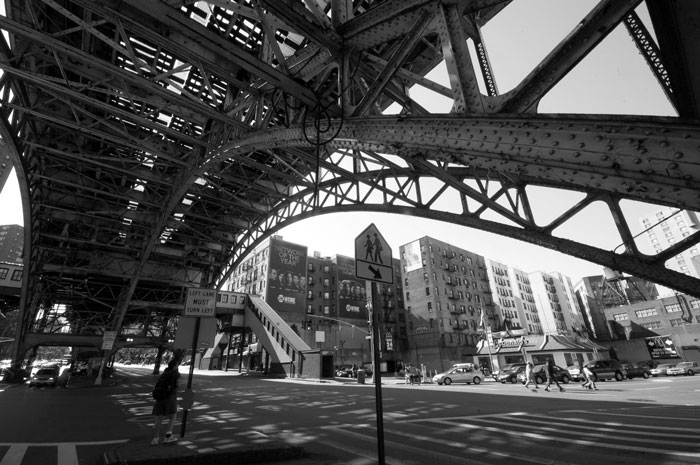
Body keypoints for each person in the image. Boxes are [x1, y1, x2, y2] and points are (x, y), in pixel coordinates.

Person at [151, 359, 180, 445]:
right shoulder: (176, 374)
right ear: (175, 366)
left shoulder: (164, 373)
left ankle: (155, 439)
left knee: (158, 419)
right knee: (172, 417)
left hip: (159, 397)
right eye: (177, 365)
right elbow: (178, 385)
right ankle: (168, 436)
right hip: (170, 397)